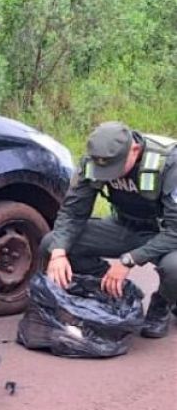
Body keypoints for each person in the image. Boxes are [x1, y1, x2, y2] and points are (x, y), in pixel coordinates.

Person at [41, 121, 177, 338]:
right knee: (52, 244)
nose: (108, 175)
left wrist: (129, 260)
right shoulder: (95, 161)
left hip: (163, 233)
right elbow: (73, 212)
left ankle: (163, 303)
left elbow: (175, 232)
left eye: (114, 169)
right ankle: (113, 286)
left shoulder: (169, 163)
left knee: (174, 268)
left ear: (134, 149)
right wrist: (58, 253)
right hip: (123, 224)